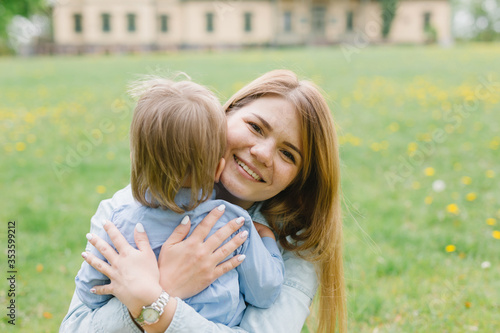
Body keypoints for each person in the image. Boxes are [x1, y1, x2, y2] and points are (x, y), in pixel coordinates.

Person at [60, 69, 347, 333]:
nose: (262, 153)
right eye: (256, 127)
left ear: (299, 178)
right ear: (224, 116)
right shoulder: (124, 207)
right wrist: (165, 287)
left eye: (288, 154)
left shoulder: (298, 242)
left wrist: (157, 302)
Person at [74, 77, 284, 327]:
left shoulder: (117, 224)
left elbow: (89, 293)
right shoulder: (233, 223)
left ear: (135, 160)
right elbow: (265, 291)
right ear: (218, 169)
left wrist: (143, 291)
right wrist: (268, 239)